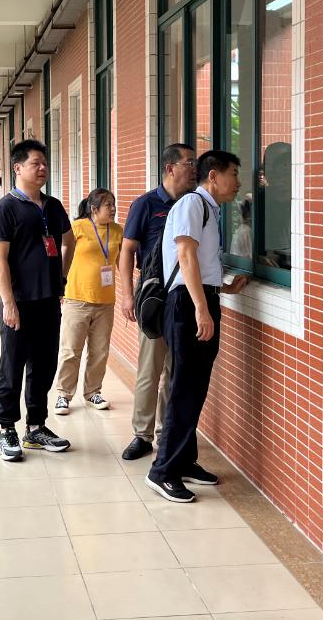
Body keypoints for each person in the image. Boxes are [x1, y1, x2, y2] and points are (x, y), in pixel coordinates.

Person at [145, 150, 249, 504]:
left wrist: (223, 289)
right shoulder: (193, 204)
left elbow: (200, 264)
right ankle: (162, 471)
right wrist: (202, 310)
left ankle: (184, 461)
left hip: (199, 300)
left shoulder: (208, 208)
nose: (238, 182)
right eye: (233, 173)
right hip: (187, 305)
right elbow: (185, 256)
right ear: (213, 176)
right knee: (185, 389)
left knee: (194, 387)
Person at [0, 139, 75, 461]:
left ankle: (36, 426)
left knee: (44, 365)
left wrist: (60, 278)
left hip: (49, 301)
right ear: (17, 168)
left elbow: (69, 241)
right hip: (19, 303)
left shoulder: (53, 206)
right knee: (12, 366)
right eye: (35, 163)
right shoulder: (5, 209)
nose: (42, 168)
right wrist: (8, 303)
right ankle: (6, 428)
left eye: (45, 163)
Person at [119, 143, 197, 461]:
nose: (194, 169)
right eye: (189, 163)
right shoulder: (146, 204)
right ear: (170, 168)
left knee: (175, 368)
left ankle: (167, 434)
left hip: (183, 296)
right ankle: (142, 434)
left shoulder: (193, 204)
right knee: (150, 368)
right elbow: (126, 251)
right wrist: (126, 295)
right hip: (153, 295)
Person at [54, 188, 123, 414]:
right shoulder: (77, 227)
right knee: (71, 350)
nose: (113, 209)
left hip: (105, 301)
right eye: (108, 205)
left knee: (99, 351)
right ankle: (63, 394)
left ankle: (93, 392)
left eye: (113, 204)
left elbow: (122, 263)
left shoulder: (117, 231)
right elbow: (62, 254)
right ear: (94, 209)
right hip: (77, 298)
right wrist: (59, 285)